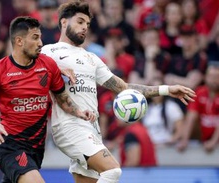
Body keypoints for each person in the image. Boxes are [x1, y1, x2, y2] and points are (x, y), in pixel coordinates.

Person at [41, 1, 196, 183]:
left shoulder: (91, 58)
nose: (85, 28)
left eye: (87, 24)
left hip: (92, 128)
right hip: (70, 126)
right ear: (64, 22)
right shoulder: (49, 52)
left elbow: (123, 87)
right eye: (80, 22)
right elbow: (31, 75)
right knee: (113, 171)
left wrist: (166, 89)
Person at [0, 16, 96, 183]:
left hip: (35, 148)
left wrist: (78, 111)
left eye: (40, 37)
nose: (41, 43)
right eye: (35, 37)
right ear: (19, 41)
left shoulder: (48, 65)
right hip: (8, 144)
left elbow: (62, 100)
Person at [177, 62, 219, 153]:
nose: (214, 80)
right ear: (205, 77)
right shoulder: (199, 92)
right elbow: (191, 116)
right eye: (211, 76)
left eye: (217, 77)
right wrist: (184, 139)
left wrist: (213, 142)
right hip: (202, 137)